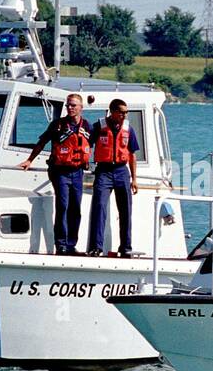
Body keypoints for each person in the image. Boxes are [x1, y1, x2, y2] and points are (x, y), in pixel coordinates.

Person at [18, 93, 91, 255]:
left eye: (73, 105)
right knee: (62, 205)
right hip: (60, 171)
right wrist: (30, 160)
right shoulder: (57, 125)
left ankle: (71, 245)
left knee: (75, 208)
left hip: (77, 171)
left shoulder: (87, 126)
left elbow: (91, 144)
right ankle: (61, 245)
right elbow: (42, 142)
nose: (70, 108)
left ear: (81, 108)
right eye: (68, 105)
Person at [87, 98, 140, 256]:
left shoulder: (128, 128)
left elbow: (132, 154)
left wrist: (134, 179)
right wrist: (85, 162)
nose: (125, 115)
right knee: (99, 207)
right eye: (122, 112)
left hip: (122, 171)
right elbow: (87, 146)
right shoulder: (98, 126)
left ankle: (126, 247)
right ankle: (96, 247)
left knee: (125, 210)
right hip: (104, 170)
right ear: (113, 112)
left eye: (126, 112)